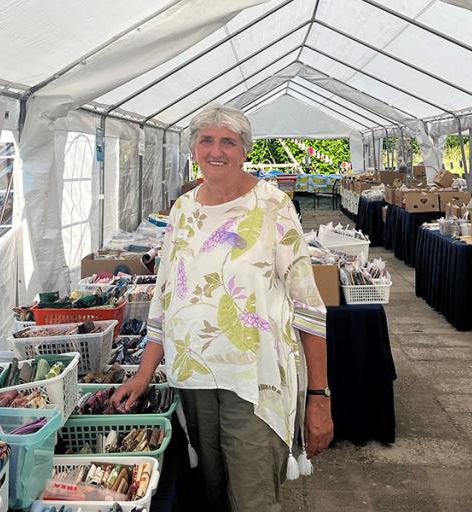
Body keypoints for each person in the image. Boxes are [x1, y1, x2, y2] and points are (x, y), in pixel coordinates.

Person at [112, 104, 333, 511]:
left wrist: (319, 396)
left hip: (255, 378)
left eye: (228, 142)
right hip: (192, 378)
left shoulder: (273, 206)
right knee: (211, 493)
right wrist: (144, 375)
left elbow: (309, 308)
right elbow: (164, 299)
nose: (216, 150)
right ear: (193, 148)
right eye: (206, 140)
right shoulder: (182, 210)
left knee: (252, 497)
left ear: (244, 150)